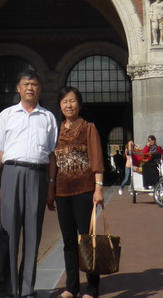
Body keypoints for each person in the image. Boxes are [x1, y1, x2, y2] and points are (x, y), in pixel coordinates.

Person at [0, 69, 58, 298]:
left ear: (40, 89)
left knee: (33, 234)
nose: (30, 88)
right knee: (8, 233)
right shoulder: (6, 115)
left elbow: (52, 156)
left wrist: (50, 185)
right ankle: (8, 290)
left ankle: (27, 290)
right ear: (18, 88)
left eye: (34, 84)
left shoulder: (48, 117)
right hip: (12, 173)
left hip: (37, 175)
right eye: (26, 84)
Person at [51, 86, 104, 298]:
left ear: (79, 105)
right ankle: (71, 287)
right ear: (60, 106)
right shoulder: (56, 131)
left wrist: (98, 187)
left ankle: (92, 287)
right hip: (62, 191)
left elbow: (97, 158)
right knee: (69, 242)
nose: (68, 105)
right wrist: (50, 188)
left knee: (87, 239)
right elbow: (52, 161)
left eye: (72, 101)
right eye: (64, 101)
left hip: (84, 189)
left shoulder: (88, 127)